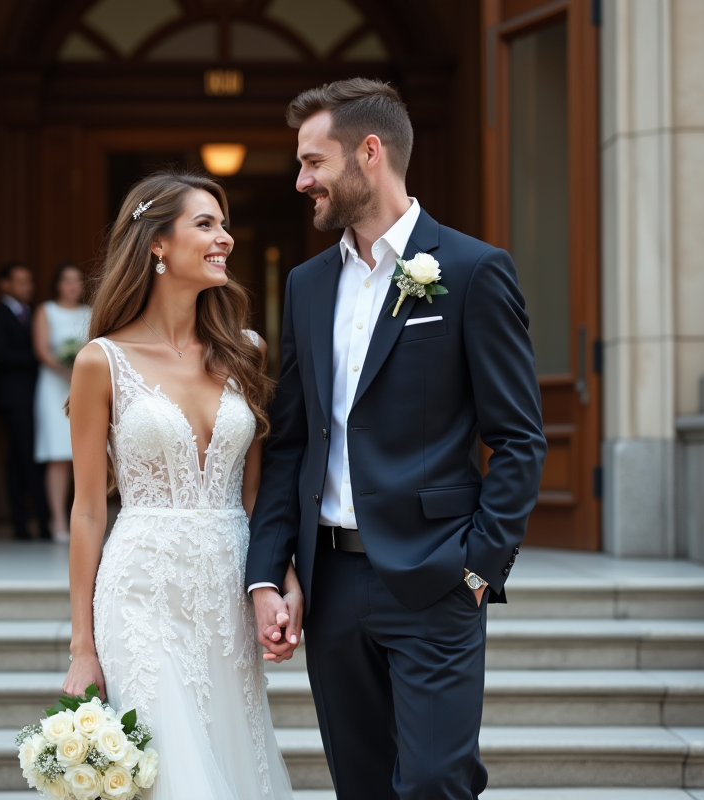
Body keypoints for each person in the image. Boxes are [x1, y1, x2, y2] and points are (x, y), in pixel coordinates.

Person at [246, 78, 547, 800]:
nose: (300, 181)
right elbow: (291, 443)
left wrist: (478, 572)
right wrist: (267, 572)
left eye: (314, 162)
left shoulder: (473, 271)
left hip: (436, 579)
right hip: (331, 584)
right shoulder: (308, 285)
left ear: (369, 153)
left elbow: (520, 438)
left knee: (438, 782)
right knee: (362, 785)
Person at [61, 171, 297, 799]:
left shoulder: (246, 351)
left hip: (226, 588)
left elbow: (256, 494)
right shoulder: (100, 362)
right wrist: (82, 646)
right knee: (173, 773)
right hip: (141, 592)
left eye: (224, 224)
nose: (225, 238)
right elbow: (87, 511)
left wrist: (280, 578)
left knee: (230, 753)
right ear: (157, 245)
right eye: (206, 224)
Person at [0, 262, 49, 541]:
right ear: (5, 284)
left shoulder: (34, 314)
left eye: (29, 281)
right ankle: (32, 522)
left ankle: (32, 521)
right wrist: (40, 355)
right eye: (21, 281)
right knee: (23, 458)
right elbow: (1, 355)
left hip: (38, 396)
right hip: (14, 398)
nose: (27, 287)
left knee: (25, 458)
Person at [32, 262, 92, 542]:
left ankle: (85, 520)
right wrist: (64, 370)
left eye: (77, 280)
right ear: (57, 284)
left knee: (84, 454)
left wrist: (80, 373)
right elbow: (41, 348)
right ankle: (58, 521)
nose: (73, 285)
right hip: (53, 387)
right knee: (58, 455)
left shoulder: (89, 313)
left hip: (83, 388)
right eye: (67, 280)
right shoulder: (46, 311)